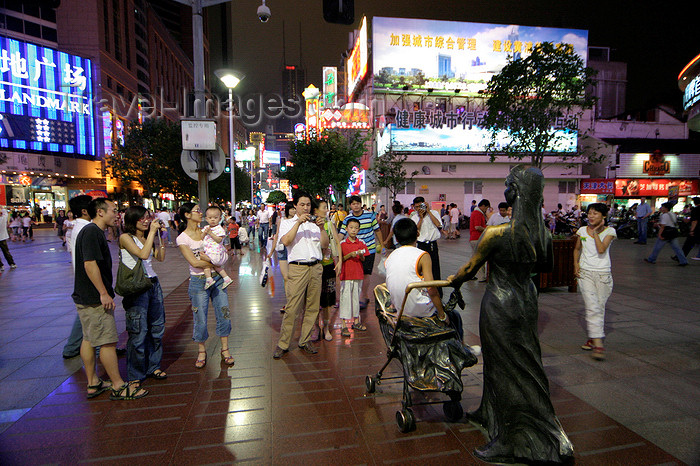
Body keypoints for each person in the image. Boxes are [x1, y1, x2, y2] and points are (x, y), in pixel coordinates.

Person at [447, 166, 573, 463]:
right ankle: (489, 411)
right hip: (526, 299)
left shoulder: (497, 233)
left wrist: (453, 281)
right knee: (519, 360)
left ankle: (512, 439)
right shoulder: (542, 232)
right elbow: (546, 267)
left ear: (514, 192)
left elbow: (469, 269)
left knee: (505, 365)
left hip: (501, 301)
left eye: (507, 185)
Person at [73, 198, 148, 400]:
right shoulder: (91, 232)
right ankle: (118, 385)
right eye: (114, 210)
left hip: (85, 296)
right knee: (107, 341)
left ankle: (93, 382)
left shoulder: (91, 232)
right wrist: (103, 293)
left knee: (89, 339)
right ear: (100, 212)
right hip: (94, 297)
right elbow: (90, 264)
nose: (117, 214)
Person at [177, 203, 235, 368]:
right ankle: (201, 350)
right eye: (197, 211)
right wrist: (214, 260)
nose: (201, 213)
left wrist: (217, 259)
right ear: (187, 215)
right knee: (200, 318)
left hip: (217, 278)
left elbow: (223, 252)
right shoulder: (183, 238)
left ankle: (225, 349)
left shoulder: (209, 230)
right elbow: (194, 262)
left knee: (224, 313)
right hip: (198, 281)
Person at [273, 191, 329, 359]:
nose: (306, 207)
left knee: (312, 307)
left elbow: (324, 245)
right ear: (295, 205)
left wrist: (321, 228)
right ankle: (283, 344)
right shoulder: (286, 222)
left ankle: (305, 340)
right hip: (297, 268)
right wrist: (297, 223)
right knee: (292, 308)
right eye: (302, 204)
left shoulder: (315, 224)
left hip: (316, 267)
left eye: (308, 205)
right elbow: (286, 241)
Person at [119, 206, 168, 382]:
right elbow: (143, 253)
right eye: (142, 218)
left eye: (148, 217)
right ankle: (135, 375)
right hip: (137, 287)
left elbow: (160, 258)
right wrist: (151, 233)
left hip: (153, 284)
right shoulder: (126, 238)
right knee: (139, 331)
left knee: (157, 328)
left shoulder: (147, 237)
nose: (146, 221)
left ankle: (153, 366)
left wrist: (160, 237)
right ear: (132, 220)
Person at [573, 203, 616, 361]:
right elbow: (577, 249)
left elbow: (601, 249)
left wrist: (597, 233)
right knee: (592, 308)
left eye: (595, 214)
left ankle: (594, 337)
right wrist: (576, 265)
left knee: (599, 307)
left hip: (603, 275)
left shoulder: (610, 231)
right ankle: (598, 344)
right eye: (589, 213)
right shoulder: (582, 230)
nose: (591, 216)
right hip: (586, 274)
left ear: (603, 216)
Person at [385, 218, 449, 323]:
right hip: (420, 310)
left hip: (400, 309)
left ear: (396, 239)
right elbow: (431, 288)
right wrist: (442, 315)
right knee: (454, 316)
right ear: (418, 234)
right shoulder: (422, 256)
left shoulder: (390, 257)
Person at [62, 195, 94, 359]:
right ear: (84, 210)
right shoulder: (85, 228)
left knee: (87, 313)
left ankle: (76, 346)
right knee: (87, 313)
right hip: (88, 279)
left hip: (83, 277)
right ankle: (72, 347)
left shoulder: (82, 226)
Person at [339, 195, 383, 309]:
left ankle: (363, 296)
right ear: (350, 206)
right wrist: (335, 244)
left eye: (357, 203)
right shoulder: (347, 218)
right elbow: (342, 233)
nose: (356, 206)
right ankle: (354, 296)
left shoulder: (370, 215)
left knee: (366, 273)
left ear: (360, 204)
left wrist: (382, 244)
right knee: (355, 273)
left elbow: (377, 230)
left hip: (369, 249)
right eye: (353, 204)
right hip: (353, 251)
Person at [316, 200, 342, 341]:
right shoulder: (310, 226)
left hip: (328, 265)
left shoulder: (330, 224)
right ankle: (315, 327)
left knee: (326, 302)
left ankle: (326, 328)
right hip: (315, 267)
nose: (327, 210)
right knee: (314, 301)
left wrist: (339, 262)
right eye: (324, 208)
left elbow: (336, 242)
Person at [339, 218, 369, 337]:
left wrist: (360, 255)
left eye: (356, 228)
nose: (353, 230)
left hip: (358, 274)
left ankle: (356, 321)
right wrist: (349, 255)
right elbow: (340, 259)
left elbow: (363, 259)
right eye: (351, 227)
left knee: (356, 298)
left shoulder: (361, 243)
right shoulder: (342, 243)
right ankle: (344, 324)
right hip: (346, 275)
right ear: (346, 229)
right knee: (345, 298)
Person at [410, 197, 443, 296]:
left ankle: (438, 294)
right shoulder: (414, 217)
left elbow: (439, 225)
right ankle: (424, 293)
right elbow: (415, 232)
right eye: (416, 207)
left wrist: (428, 212)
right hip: (421, 245)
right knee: (422, 270)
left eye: (421, 206)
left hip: (432, 244)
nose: (419, 209)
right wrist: (420, 218)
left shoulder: (434, 213)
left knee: (435, 269)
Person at [268, 202, 296, 312]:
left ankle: (295, 302)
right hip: (282, 249)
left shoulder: (299, 221)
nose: (293, 211)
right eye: (292, 209)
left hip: (294, 250)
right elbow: (277, 235)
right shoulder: (281, 220)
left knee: (294, 277)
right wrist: (271, 251)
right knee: (286, 277)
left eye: (295, 209)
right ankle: (289, 302)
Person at [200, 206, 234, 290]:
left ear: (219, 219)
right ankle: (226, 278)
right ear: (206, 219)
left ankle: (209, 279)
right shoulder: (206, 228)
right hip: (208, 250)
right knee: (217, 267)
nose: (212, 220)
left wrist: (211, 233)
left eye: (215, 218)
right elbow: (200, 237)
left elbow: (219, 240)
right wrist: (204, 233)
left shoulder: (219, 229)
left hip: (215, 252)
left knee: (205, 265)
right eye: (210, 218)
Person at [469, 199, 490, 282]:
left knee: (474, 258)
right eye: (486, 208)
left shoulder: (476, 213)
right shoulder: (478, 213)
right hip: (477, 238)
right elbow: (477, 226)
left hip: (474, 238)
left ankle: (470, 275)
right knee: (480, 259)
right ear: (483, 206)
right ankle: (481, 277)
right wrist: (487, 229)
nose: (486, 210)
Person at [676, 197, 700, 261]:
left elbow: (694, 221)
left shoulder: (695, 210)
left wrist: (692, 230)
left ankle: (680, 257)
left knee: (688, 244)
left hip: (697, 229)